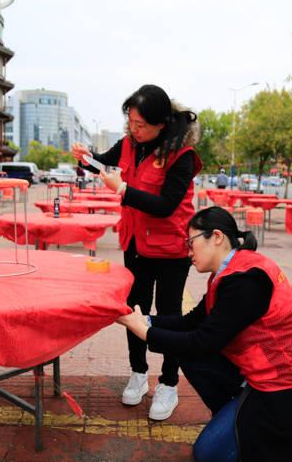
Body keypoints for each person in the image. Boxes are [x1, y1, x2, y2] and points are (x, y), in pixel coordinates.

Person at [117, 206, 292, 461]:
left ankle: (248, 415)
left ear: (216, 237)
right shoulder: (229, 273)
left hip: (290, 384)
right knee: (187, 354)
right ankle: (239, 406)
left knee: (209, 454)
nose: (187, 251)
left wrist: (145, 332)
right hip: (265, 375)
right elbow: (190, 322)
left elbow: (202, 342)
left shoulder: (245, 281)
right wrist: (138, 319)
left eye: (190, 242)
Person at [72, 84, 202, 420]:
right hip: (135, 243)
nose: (134, 129)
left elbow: (165, 206)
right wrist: (86, 158)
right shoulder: (130, 144)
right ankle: (138, 373)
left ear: (162, 123)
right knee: (134, 309)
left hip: (170, 247)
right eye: (130, 122)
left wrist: (124, 190)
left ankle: (169, 383)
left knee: (170, 316)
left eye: (141, 124)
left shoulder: (181, 155)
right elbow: (102, 163)